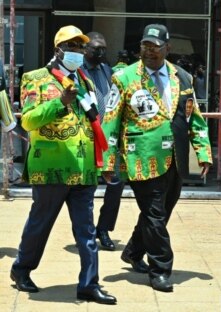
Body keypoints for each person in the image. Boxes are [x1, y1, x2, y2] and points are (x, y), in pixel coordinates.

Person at [101, 24, 213, 292]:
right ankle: (160, 268)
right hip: (141, 157)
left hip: (176, 157)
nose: (149, 51)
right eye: (145, 46)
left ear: (167, 48)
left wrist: (203, 151)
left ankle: (132, 251)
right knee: (154, 213)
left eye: (155, 46)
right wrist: (107, 160)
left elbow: (194, 117)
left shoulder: (182, 77)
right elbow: (110, 120)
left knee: (162, 212)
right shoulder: (124, 77)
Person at [10, 25, 116, 305]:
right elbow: (29, 120)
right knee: (40, 223)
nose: (78, 51)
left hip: (83, 169)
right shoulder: (36, 78)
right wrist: (59, 102)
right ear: (58, 49)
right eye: (71, 46)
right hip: (52, 168)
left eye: (80, 47)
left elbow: (94, 125)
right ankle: (21, 269)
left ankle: (88, 284)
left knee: (87, 231)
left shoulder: (85, 81)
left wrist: (102, 161)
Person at [81, 31, 124, 251]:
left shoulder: (108, 70)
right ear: (85, 49)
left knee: (116, 183)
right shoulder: (77, 72)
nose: (101, 52)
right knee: (86, 187)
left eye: (104, 48)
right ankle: (85, 232)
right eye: (96, 48)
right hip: (86, 137)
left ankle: (104, 229)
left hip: (108, 138)